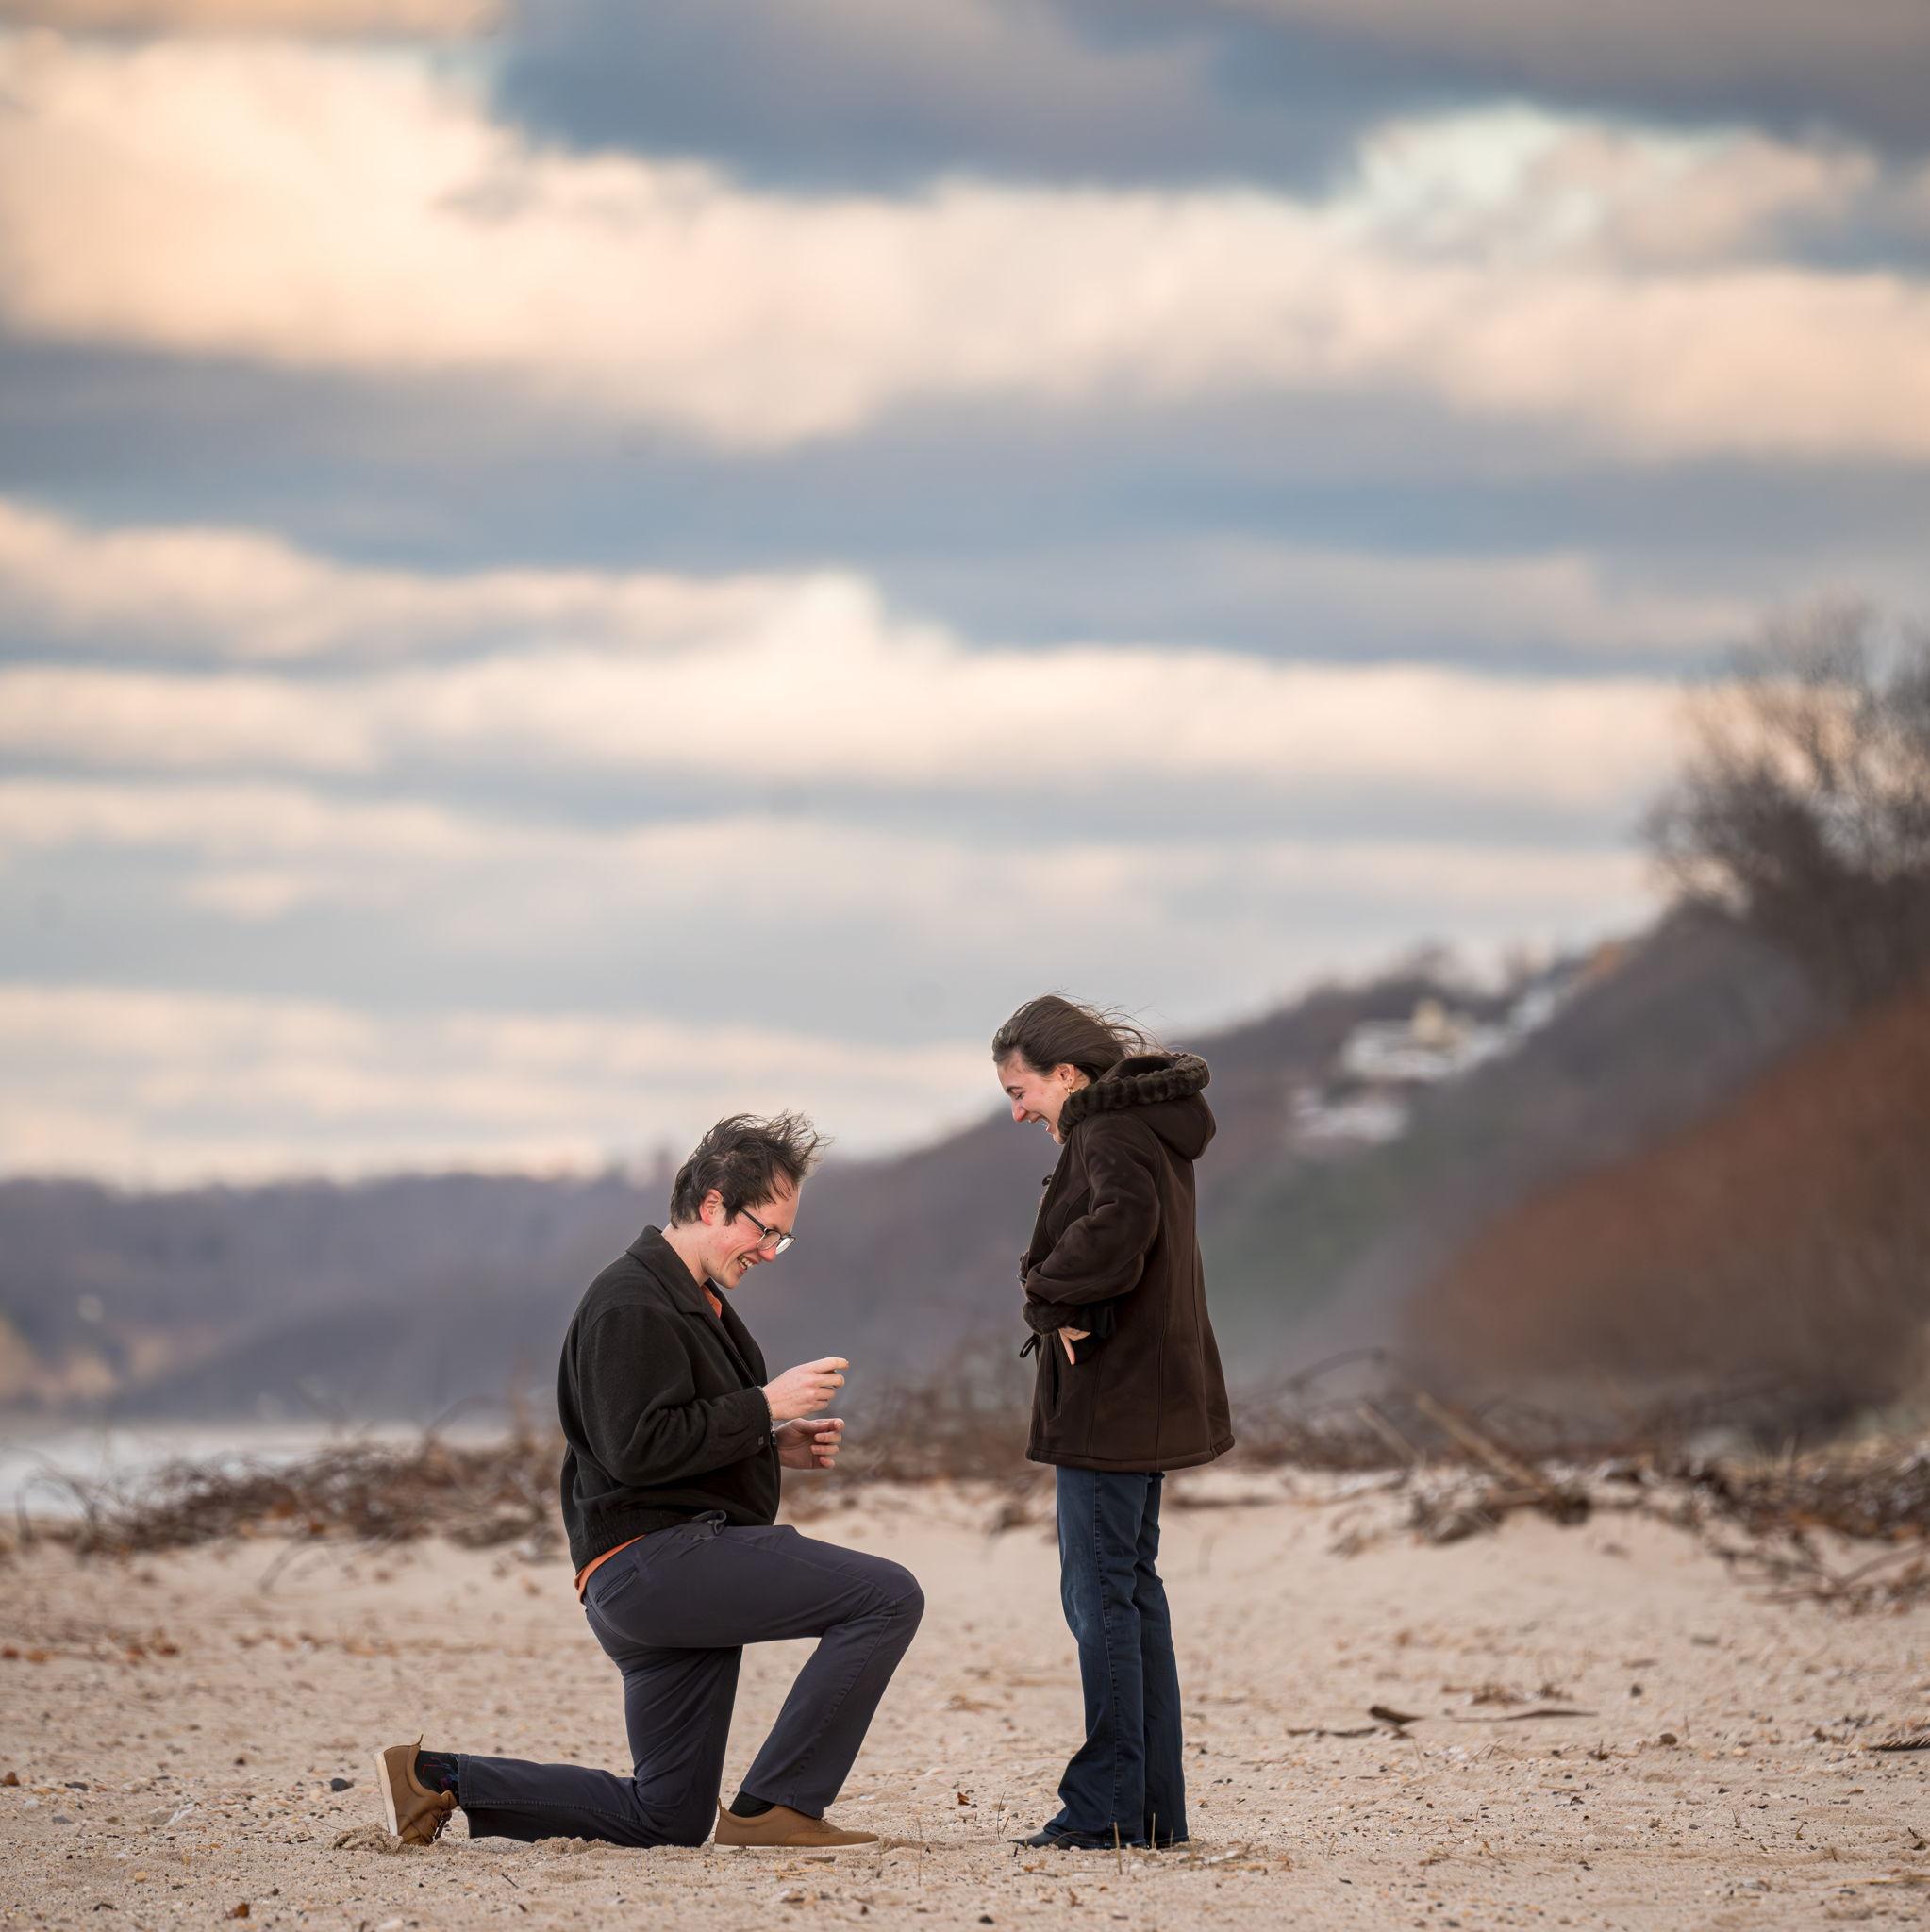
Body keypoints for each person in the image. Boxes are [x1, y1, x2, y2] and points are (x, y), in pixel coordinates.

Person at [371, 1111, 923, 1853]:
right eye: (764, 1230)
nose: (770, 1251)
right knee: (887, 1597)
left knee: (667, 1818)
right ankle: (778, 1807)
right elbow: (635, 1448)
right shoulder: (631, 1301)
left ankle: (435, 1778)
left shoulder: (693, 1299)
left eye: (782, 1238)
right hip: (659, 1565)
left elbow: (670, 1432)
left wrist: (769, 1443)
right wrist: (764, 1407)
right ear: (712, 1205)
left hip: (654, 1579)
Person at [993, 995, 1233, 1851]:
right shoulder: (1144, 1128)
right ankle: (1152, 1810)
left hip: (1110, 1403)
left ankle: (1109, 1810)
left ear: (1066, 1074)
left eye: (1020, 1091)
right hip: (1144, 1398)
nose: (1017, 1111)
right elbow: (1131, 1229)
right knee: (1129, 1596)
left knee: (1102, 1600)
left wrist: (1044, 1295)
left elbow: (1118, 1230)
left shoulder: (1106, 1132)